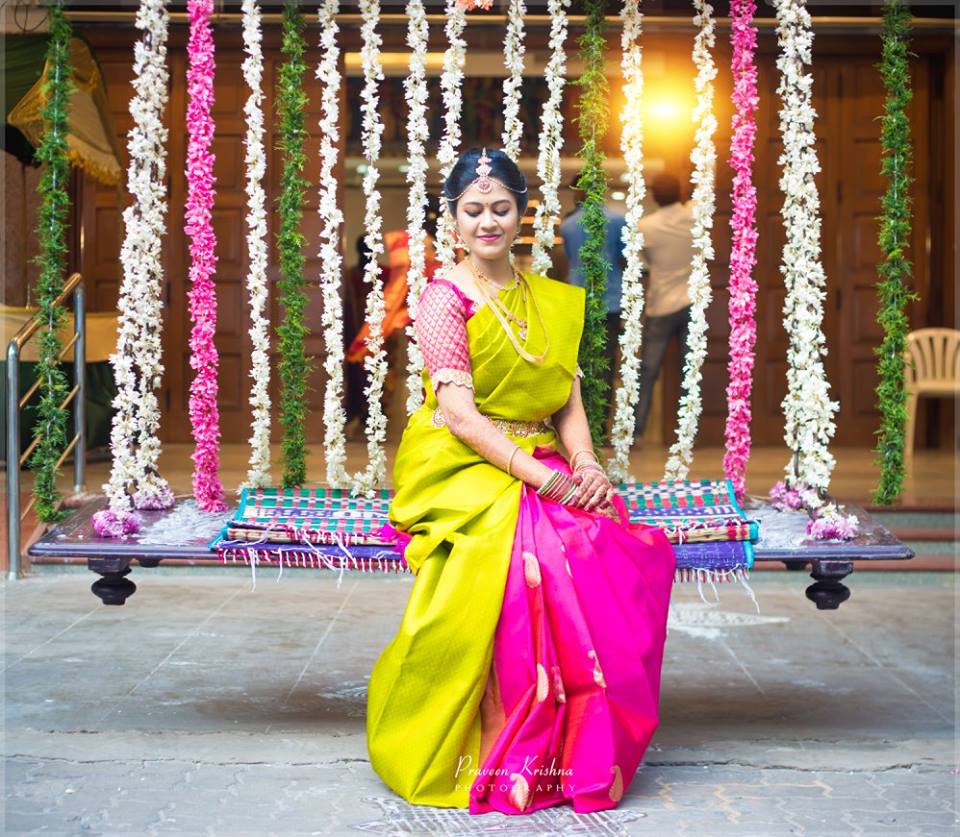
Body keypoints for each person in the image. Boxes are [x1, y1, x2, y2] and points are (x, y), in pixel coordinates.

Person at [366, 147, 676, 815]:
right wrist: (549, 481)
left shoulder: (546, 297)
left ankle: (583, 744)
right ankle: (508, 740)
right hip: (459, 461)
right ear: (452, 220)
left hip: (539, 454)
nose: (488, 222)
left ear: (521, 214)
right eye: (473, 210)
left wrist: (587, 464)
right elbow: (459, 416)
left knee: (611, 543)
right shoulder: (443, 298)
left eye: (500, 209)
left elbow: (564, 397)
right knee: (532, 552)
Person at [559, 174, 627, 431]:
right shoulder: (618, 220)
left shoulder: (568, 226)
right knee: (606, 363)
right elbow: (624, 257)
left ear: (578, 193)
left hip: (577, 300)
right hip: (609, 301)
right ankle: (600, 427)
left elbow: (570, 258)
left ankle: (578, 424)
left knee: (578, 363)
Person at [634, 173, 695, 441]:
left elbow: (643, 260)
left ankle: (636, 431)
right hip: (693, 302)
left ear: (654, 196)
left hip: (660, 304)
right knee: (689, 370)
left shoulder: (646, 226)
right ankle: (688, 433)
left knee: (648, 371)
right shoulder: (695, 215)